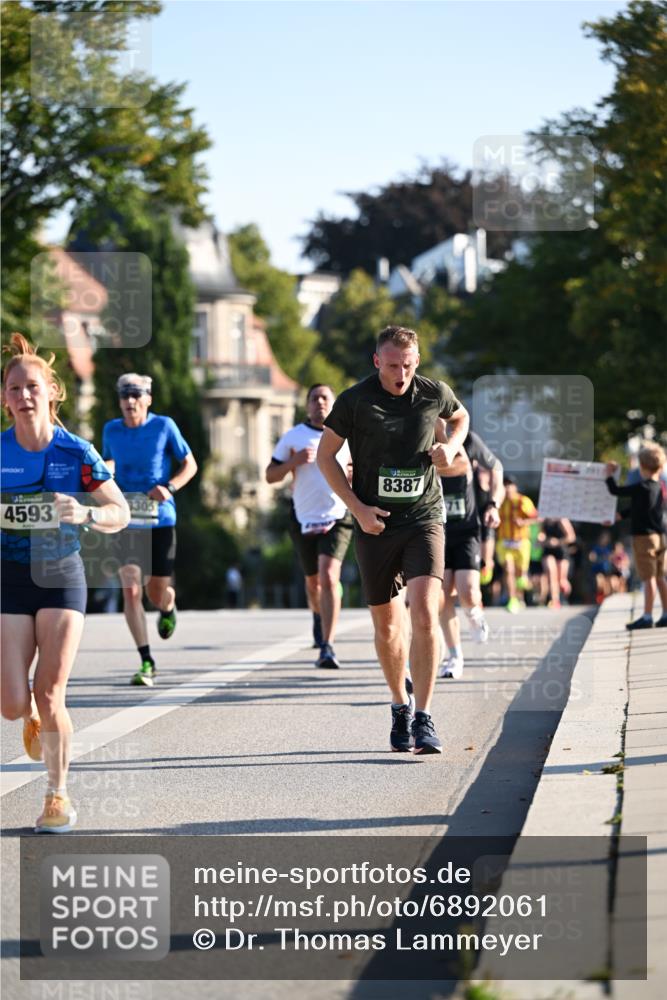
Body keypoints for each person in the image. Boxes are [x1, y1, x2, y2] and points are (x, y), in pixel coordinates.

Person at [318, 325, 469, 754]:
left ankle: (424, 716)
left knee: (424, 612)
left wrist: (452, 447)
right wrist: (357, 509)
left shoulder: (433, 392)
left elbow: (460, 416)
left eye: (407, 365)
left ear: (416, 361)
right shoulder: (354, 400)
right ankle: (399, 704)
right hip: (375, 523)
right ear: (376, 362)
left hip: (424, 517)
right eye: (391, 366)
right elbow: (325, 457)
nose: (400, 374)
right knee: (387, 627)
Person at [1, 334, 129, 832]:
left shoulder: (75, 450)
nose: (23, 395)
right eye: (14, 388)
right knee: (14, 703)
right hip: (10, 578)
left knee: (51, 691)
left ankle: (57, 795)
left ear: (51, 391)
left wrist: (87, 513)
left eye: (32, 386)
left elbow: (120, 510)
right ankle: (28, 710)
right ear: (5, 397)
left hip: (59, 576)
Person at [102, 373, 198, 686]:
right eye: (124, 396)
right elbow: (110, 463)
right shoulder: (111, 430)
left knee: (156, 593)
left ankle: (168, 606)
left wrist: (169, 487)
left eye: (136, 395)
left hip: (160, 518)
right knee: (131, 589)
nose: (129, 401)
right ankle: (146, 660)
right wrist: (104, 471)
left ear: (148, 399)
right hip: (126, 518)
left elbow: (190, 465)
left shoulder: (164, 426)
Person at [266, 384, 353, 669]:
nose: (319, 403)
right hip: (303, 516)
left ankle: (327, 646)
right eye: (314, 399)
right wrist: (294, 461)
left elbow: (359, 470)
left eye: (325, 398)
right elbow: (270, 476)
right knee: (313, 582)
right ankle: (318, 616)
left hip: (338, 514)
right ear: (307, 406)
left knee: (329, 577)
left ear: (333, 403)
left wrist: (354, 475)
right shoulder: (293, 437)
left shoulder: (345, 436)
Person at [434, 429, 504, 680]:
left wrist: (494, 504)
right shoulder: (420, 436)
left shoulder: (468, 440)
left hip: (467, 530)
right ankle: (454, 656)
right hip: (436, 531)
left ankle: (475, 615)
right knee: (441, 598)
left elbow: (496, 468)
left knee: (468, 592)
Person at [605, 445, 667, 629]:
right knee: (661, 577)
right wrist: (620, 515)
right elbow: (640, 508)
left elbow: (615, 491)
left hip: (644, 538)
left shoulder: (641, 486)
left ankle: (647, 616)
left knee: (648, 578)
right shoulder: (658, 487)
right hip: (661, 536)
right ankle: (665, 613)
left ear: (642, 466)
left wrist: (609, 475)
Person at [496, 475, 538, 613]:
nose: (507, 488)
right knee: (508, 569)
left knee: (520, 575)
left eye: (510, 485)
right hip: (504, 541)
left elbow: (536, 517)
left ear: (515, 487)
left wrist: (524, 522)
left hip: (521, 542)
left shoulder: (523, 501)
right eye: (505, 485)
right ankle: (512, 599)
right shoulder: (499, 502)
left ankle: (520, 598)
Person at [541, 517, 576, 609]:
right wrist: (542, 540)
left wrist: (558, 542)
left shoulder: (562, 520)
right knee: (551, 575)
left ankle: (564, 598)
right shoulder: (545, 521)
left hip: (561, 552)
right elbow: (541, 534)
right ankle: (554, 600)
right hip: (548, 551)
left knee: (561, 581)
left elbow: (571, 537)